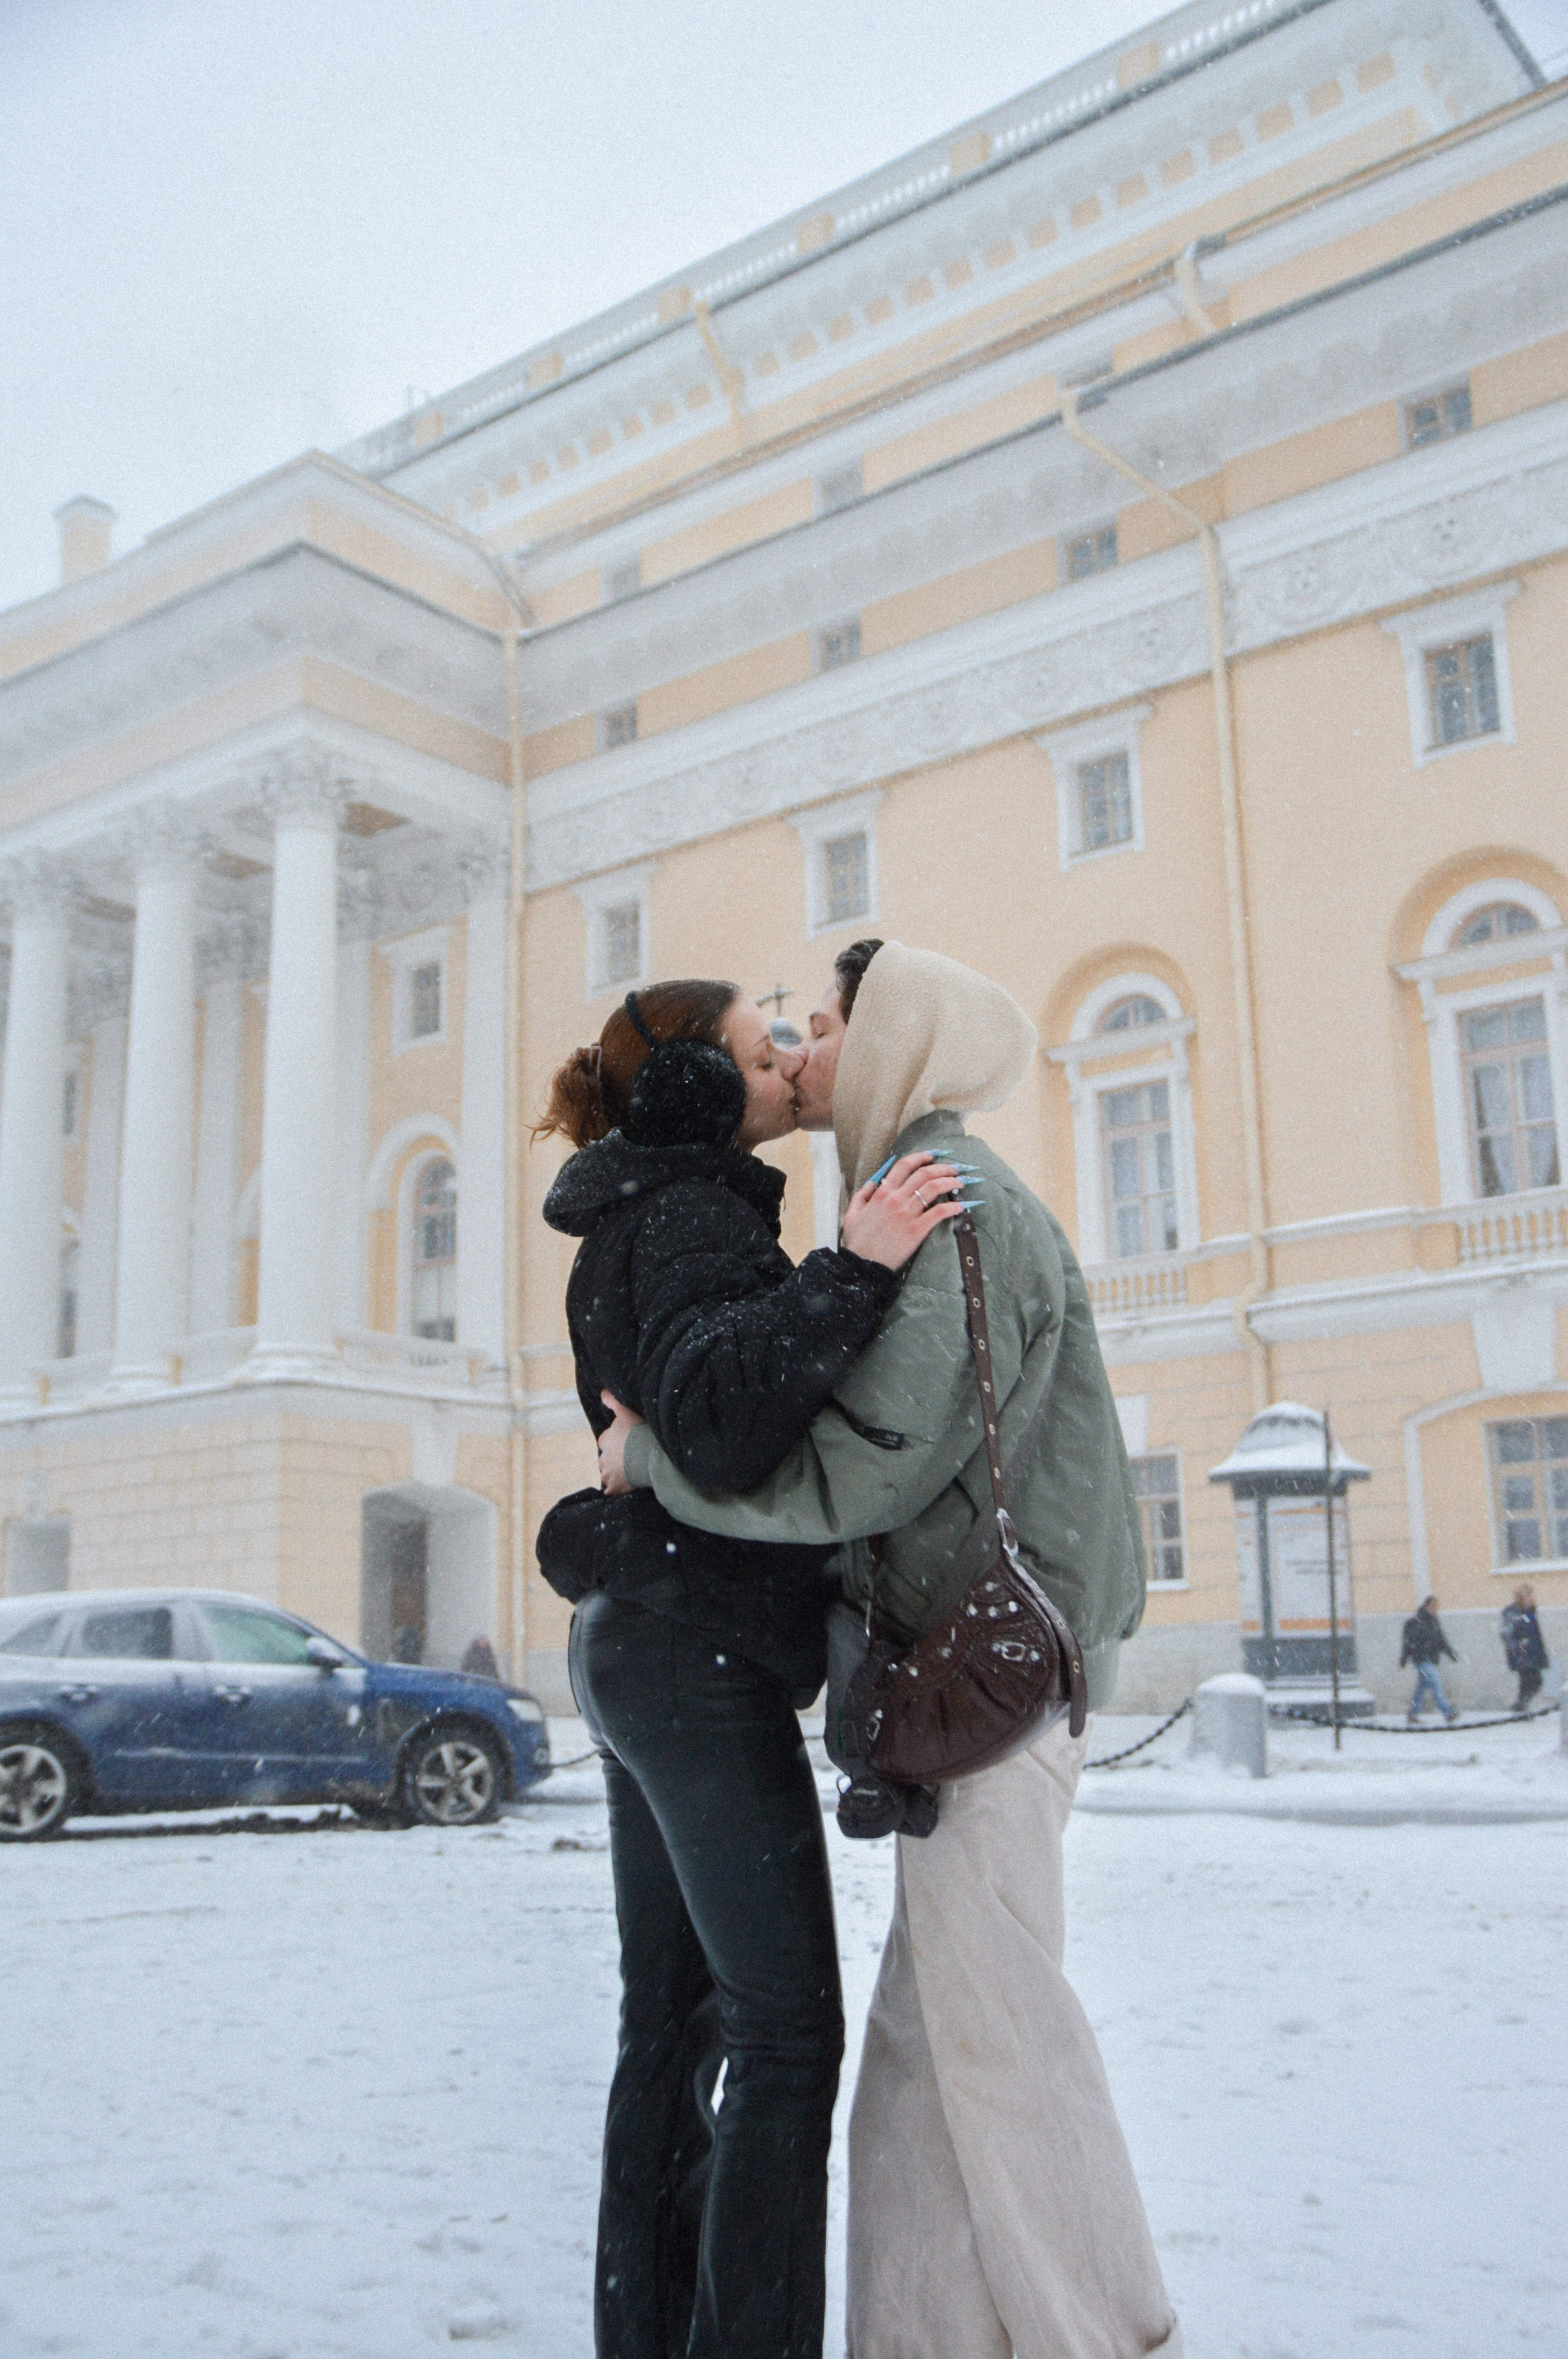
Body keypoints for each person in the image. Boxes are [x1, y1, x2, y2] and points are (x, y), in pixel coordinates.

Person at [601, 940, 1182, 2359]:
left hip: (990, 1685)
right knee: (925, 2055)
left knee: (997, 2035)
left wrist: (656, 1463)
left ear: (896, 1037)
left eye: (819, 1026)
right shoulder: (917, 1190)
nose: (798, 1051)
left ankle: (1100, 2330)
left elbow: (866, 1467)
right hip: (967, 1678)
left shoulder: (948, 1202)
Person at [532, 976, 965, 2359]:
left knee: (672, 2030)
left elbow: (685, 1419)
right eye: (759, 1043)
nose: (788, 1060)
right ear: (695, 1088)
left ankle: (649, 2334)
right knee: (783, 2039)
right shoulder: (694, 1216)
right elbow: (722, 1424)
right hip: (693, 1661)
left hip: (645, 1647)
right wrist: (855, 1268)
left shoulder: (645, 1211)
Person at [1400, 1595, 1460, 1721]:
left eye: (1436, 1606)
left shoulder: (1433, 1621)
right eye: (1433, 1606)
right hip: (1422, 1659)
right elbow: (1408, 1642)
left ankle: (1412, 1714)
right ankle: (1447, 1713)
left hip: (1431, 1659)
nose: (1435, 1608)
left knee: (1421, 1688)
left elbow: (1441, 1641)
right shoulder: (1416, 1621)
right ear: (1427, 1606)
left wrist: (1451, 1654)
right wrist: (1404, 1657)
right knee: (1436, 1685)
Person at [1501, 1582, 1548, 1712]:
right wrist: (1519, 1648)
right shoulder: (1513, 1613)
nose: (1532, 1599)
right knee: (1530, 1682)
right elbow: (1508, 1634)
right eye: (1529, 1596)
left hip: (1532, 1653)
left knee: (1533, 1682)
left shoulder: (1528, 1613)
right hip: (1522, 1655)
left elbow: (1533, 1630)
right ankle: (1520, 1706)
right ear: (1521, 1598)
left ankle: (1521, 1706)